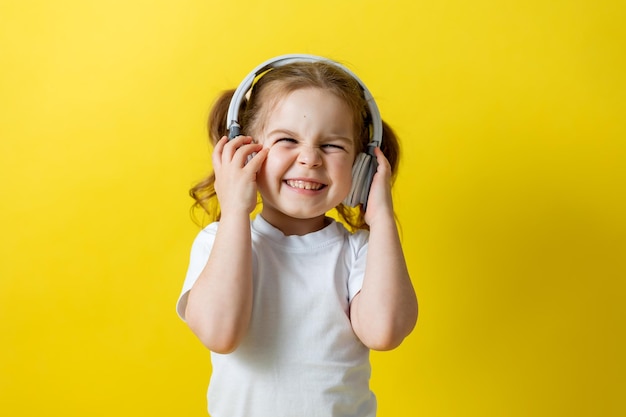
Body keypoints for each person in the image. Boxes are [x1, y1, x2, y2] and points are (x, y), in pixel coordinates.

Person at [176, 55, 418, 417]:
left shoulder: (359, 251)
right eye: (287, 139)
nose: (310, 158)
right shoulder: (217, 242)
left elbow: (384, 332)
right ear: (244, 151)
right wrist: (235, 211)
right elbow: (219, 333)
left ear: (361, 166)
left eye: (333, 145)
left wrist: (380, 216)